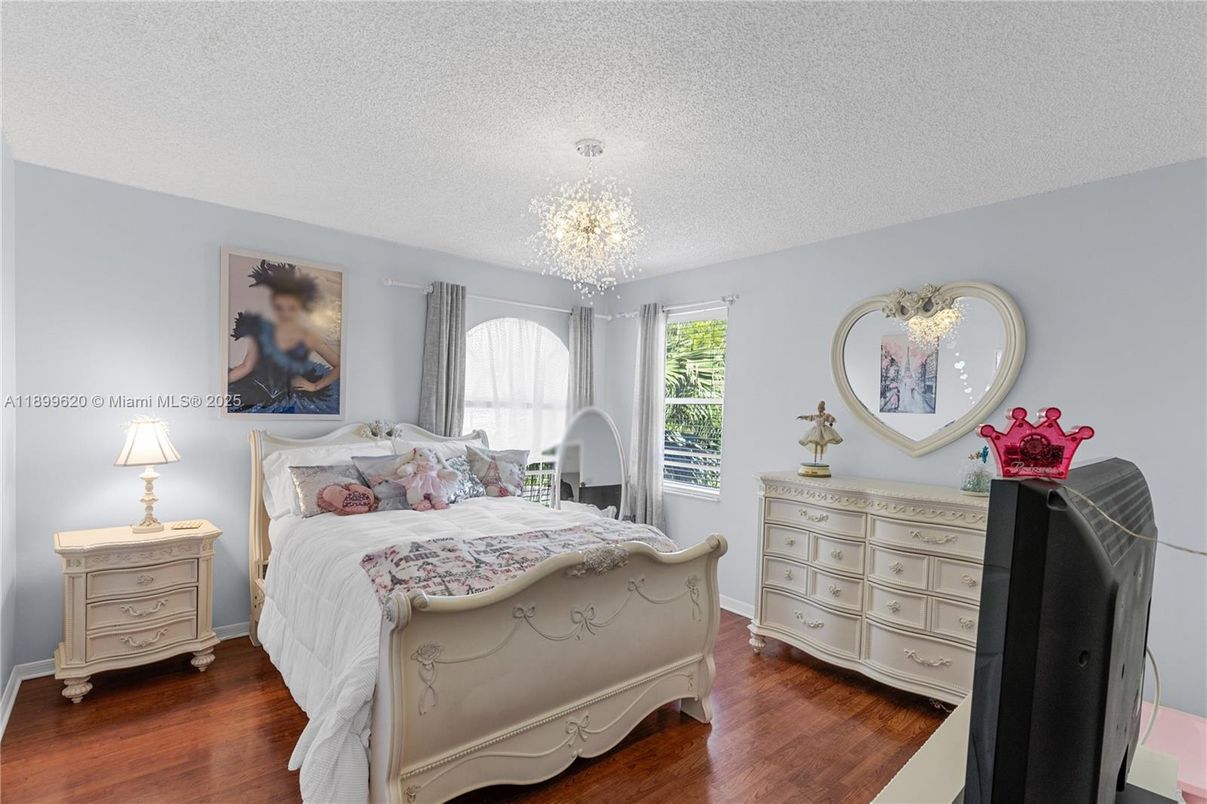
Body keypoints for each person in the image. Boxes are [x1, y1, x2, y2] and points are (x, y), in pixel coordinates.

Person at [227, 260, 341, 414]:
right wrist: (219, 383)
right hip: (257, 391)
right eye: (280, 307)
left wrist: (315, 386)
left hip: (294, 397)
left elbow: (339, 365)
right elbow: (247, 366)